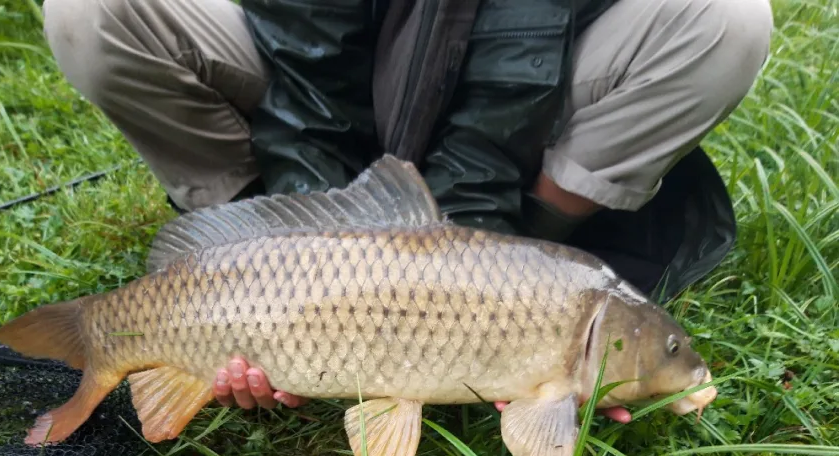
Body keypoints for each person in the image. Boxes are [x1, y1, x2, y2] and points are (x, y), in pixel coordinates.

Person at [39, 0, 772, 423]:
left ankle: (535, 262)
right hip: (327, 88)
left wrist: (478, 289)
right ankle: (233, 264)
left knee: (729, 16)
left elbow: (510, 91)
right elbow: (307, 70)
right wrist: (298, 253)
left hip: (523, 109)